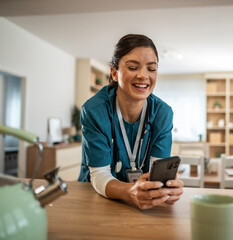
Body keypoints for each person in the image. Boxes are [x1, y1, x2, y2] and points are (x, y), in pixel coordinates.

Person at [78, 34, 184, 210]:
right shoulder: (95, 111)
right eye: (133, 67)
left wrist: (165, 189)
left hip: (140, 204)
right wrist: (131, 191)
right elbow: (99, 175)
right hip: (95, 198)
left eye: (152, 69)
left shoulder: (162, 113)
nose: (143, 76)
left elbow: (157, 173)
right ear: (114, 72)